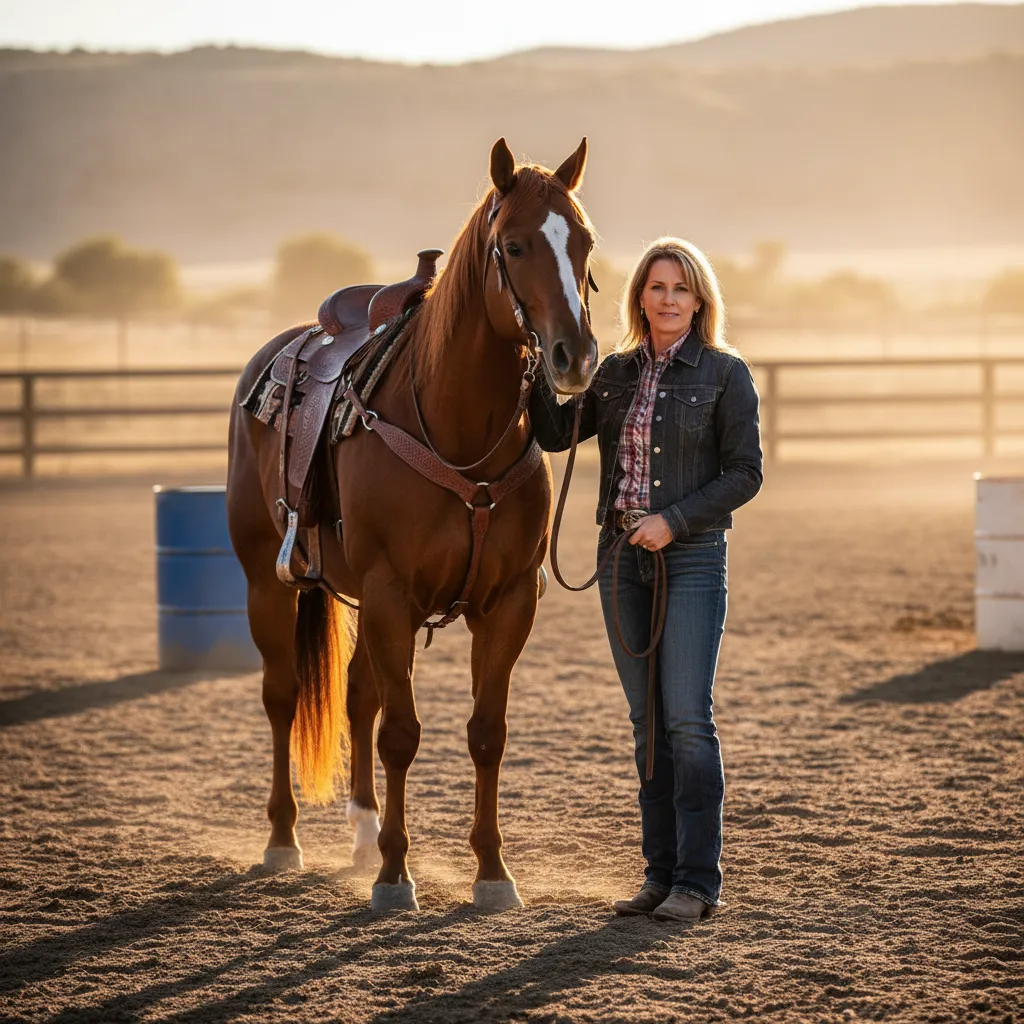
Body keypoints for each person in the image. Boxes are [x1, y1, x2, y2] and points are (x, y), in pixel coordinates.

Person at [530, 237, 762, 922]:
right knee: (646, 725)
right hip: (617, 557)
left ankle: (697, 882)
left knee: (687, 720)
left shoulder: (725, 374)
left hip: (688, 557)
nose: (667, 300)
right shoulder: (615, 373)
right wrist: (534, 365)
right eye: (656, 288)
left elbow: (745, 473)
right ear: (639, 296)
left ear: (699, 300)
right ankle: (658, 875)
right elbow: (553, 436)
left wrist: (676, 520)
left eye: (680, 289)